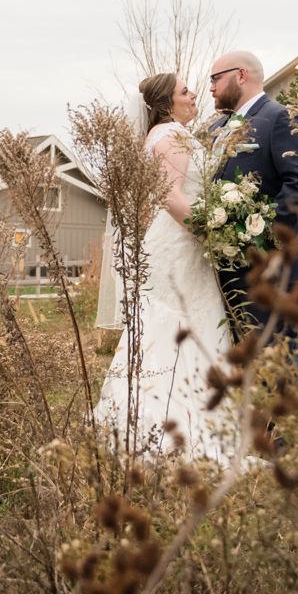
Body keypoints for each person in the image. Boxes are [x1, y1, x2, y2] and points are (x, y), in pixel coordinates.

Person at [92, 72, 240, 464]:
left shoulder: (164, 135)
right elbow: (170, 196)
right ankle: (172, 426)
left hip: (177, 244)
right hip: (180, 246)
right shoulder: (169, 136)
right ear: (166, 104)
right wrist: (210, 232)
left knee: (180, 325)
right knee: (178, 324)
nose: (194, 96)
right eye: (185, 91)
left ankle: (179, 420)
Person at [206, 50, 298, 355]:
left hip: (271, 262)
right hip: (225, 263)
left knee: (275, 352)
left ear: (241, 75)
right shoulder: (215, 129)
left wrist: (258, 236)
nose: (212, 88)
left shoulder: (280, 118)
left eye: (216, 79)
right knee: (241, 351)